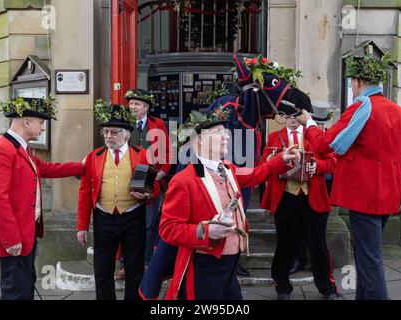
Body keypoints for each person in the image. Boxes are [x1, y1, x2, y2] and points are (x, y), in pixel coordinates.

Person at [296, 50, 401, 300]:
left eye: (353, 82)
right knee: (366, 259)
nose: (352, 87)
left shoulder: (360, 109)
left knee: (370, 262)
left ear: (359, 82)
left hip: (365, 197)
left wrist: (309, 122)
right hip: (389, 196)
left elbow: (323, 145)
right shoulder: (398, 112)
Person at [158, 107, 301, 300]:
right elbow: (168, 229)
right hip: (204, 266)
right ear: (199, 140)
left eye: (225, 132)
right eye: (218, 133)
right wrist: (206, 232)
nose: (226, 136)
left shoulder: (228, 169)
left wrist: (282, 159)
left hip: (231, 264)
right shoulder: (183, 180)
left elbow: (255, 174)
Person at [0, 97, 84, 300]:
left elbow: (44, 168)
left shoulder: (22, 147)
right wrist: (11, 239)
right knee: (15, 292)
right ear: (26, 122)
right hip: (13, 236)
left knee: (25, 285)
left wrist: (80, 167)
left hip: (26, 232)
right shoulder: (2, 150)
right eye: (41, 122)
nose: (43, 128)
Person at [76, 101, 160, 300]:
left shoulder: (142, 155)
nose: (108, 137)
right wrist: (81, 226)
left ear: (126, 134)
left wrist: (148, 196)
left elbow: (154, 188)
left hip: (133, 217)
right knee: (102, 269)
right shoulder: (93, 156)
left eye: (113, 132)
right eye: (105, 132)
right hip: (103, 218)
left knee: (135, 268)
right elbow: (84, 192)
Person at [260, 115, 338, 300]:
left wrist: (317, 166)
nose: (291, 119)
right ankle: (282, 287)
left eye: (295, 115)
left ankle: (327, 287)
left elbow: (333, 162)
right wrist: (271, 160)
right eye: (287, 115)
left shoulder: (315, 136)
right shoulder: (273, 137)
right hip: (286, 197)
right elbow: (263, 165)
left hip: (313, 197)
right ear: (281, 117)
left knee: (318, 244)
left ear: (302, 116)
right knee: (284, 243)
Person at [126, 88, 172, 267]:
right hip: (127, 176)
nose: (132, 107)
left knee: (150, 223)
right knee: (127, 221)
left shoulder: (158, 124)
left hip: (152, 177)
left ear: (146, 107)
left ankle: (146, 261)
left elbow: (168, 151)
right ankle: (125, 262)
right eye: (130, 103)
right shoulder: (125, 122)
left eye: (136, 104)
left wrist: (161, 173)